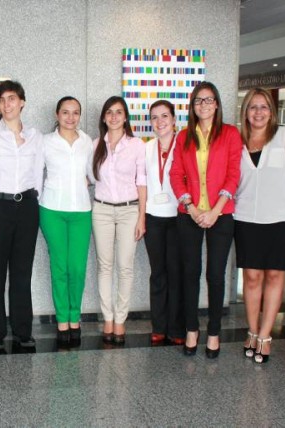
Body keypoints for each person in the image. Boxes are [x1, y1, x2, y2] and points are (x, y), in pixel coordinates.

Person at [169, 81, 241, 358]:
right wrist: (191, 206)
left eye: (209, 100)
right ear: (193, 105)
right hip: (190, 214)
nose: (204, 105)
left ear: (217, 104)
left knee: (215, 275)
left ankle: (213, 332)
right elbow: (176, 174)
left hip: (221, 214)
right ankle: (191, 329)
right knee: (190, 273)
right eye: (199, 100)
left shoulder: (230, 134)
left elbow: (234, 174)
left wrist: (215, 210)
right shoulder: (184, 136)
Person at [235, 88, 285, 363]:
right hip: (246, 218)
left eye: (264, 106)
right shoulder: (238, 139)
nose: (258, 112)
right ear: (246, 112)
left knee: (275, 276)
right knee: (252, 278)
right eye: (252, 107)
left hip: (280, 218)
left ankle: (265, 335)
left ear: (272, 111)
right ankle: (252, 330)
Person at [0, 80, 44, 350]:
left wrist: (37, 205)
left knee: (22, 273)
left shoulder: (35, 136)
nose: (6, 104)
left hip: (26, 207)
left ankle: (23, 330)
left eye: (11, 98)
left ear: (22, 102)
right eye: (1, 100)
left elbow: (38, 175)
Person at [91, 96, 147, 344]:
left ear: (126, 117)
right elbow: (87, 178)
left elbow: (142, 182)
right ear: (104, 117)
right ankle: (108, 318)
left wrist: (141, 217)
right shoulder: (95, 145)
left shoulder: (137, 145)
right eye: (109, 112)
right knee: (104, 266)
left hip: (129, 211)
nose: (114, 117)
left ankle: (121, 320)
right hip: (101, 210)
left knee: (125, 267)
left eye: (119, 112)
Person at [39, 96, 94, 345]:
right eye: (65, 112)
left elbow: (94, 173)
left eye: (75, 113)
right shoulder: (45, 142)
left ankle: (75, 317)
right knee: (59, 267)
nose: (70, 117)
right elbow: (34, 173)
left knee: (77, 268)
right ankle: (63, 321)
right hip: (52, 210)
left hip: (81, 211)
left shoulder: (87, 142)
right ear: (56, 114)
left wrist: (86, 181)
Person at [143, 100, 184, 347]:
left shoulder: (185, 146)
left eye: (165, 116)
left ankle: (177, 327)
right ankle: (159, 326)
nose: (160, 122)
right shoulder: (146, 149)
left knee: (176, 273)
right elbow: (142, 183)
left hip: (179, 216)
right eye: (155, 117)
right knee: (158, 273)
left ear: (174, 120)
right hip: (154, 217)